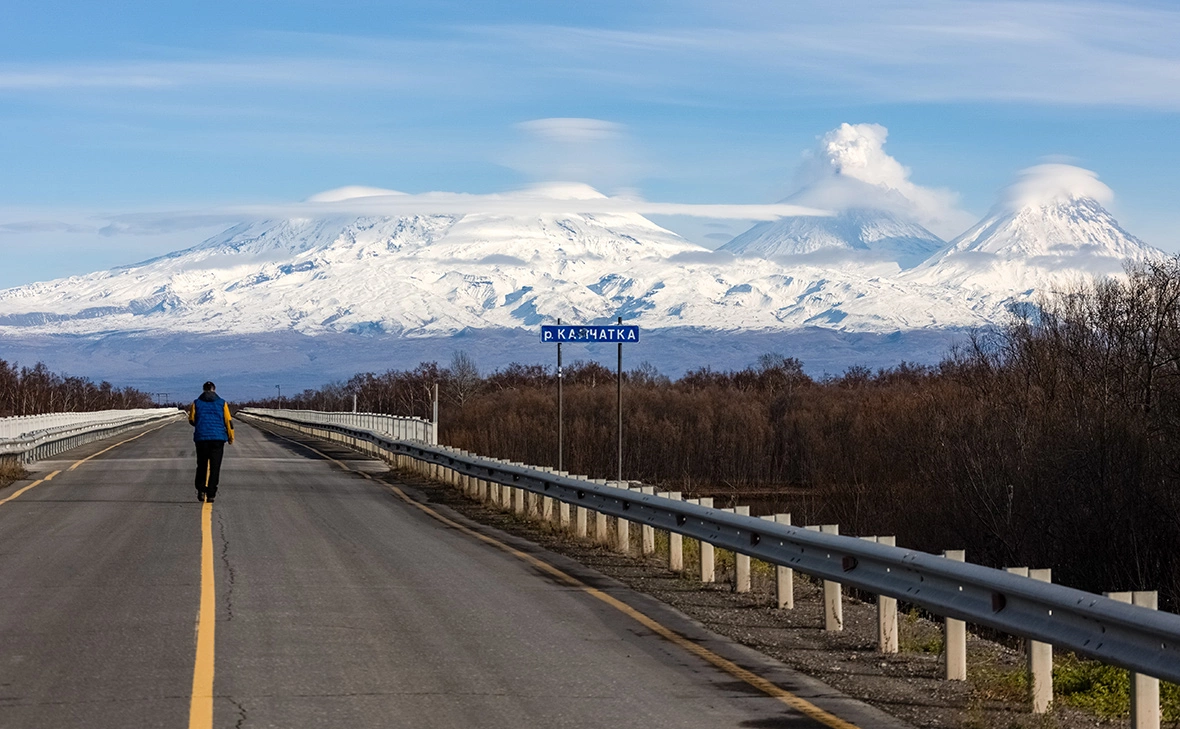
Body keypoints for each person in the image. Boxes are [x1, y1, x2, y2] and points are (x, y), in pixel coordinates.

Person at [188, 381, 234, 503]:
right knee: (215, 467)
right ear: (214, 389)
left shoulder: (196, 403)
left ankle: (201, 489)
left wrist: (200, 425)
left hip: (201, 439)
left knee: (202, 465)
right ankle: (211, 494)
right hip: (218, 439)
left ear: (203, 390)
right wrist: (230, 437)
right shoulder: (222, 403)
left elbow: (191, 419)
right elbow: (228, 422)